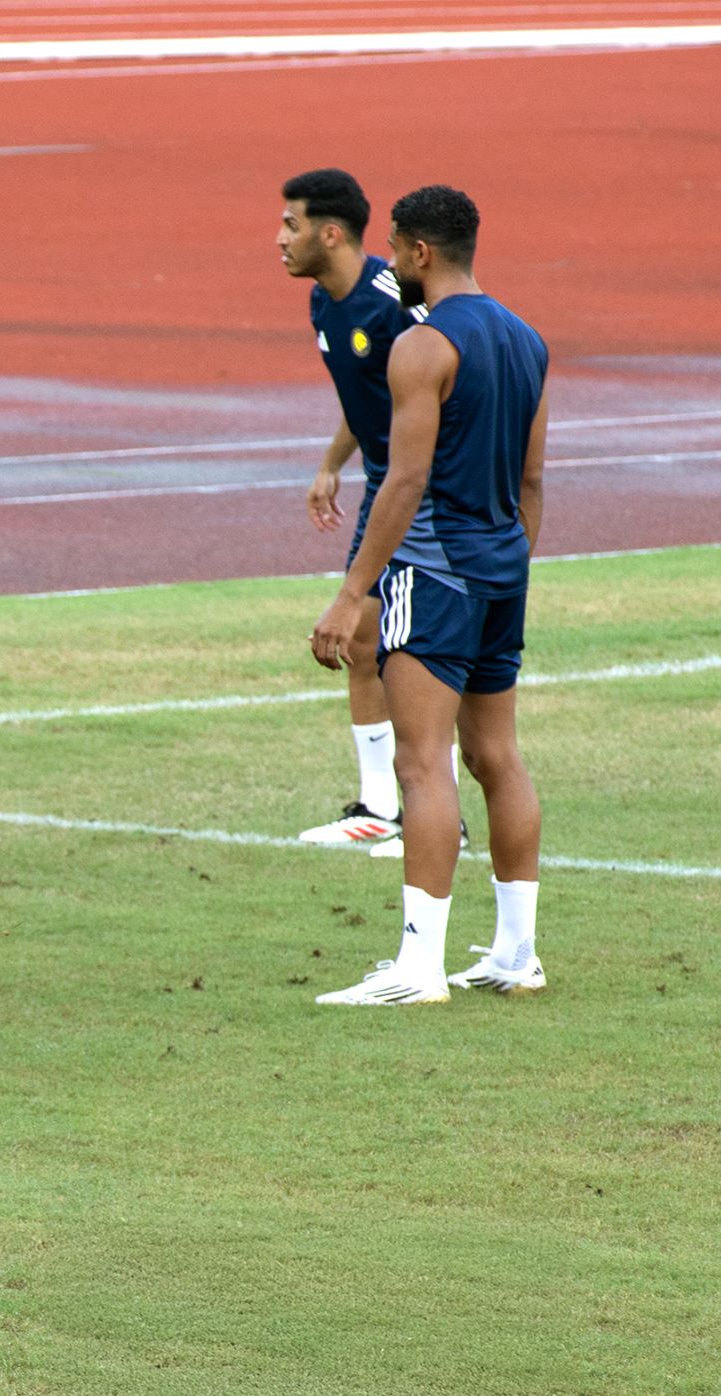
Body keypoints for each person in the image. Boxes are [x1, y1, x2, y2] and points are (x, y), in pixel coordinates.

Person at [311, 186, 550, 1007]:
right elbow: (531, 479)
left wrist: (353, 593)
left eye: (398, 249)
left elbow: (403, 478)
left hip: (433, 572)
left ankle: (419, 969)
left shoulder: (422, 346)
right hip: (501, 569)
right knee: (498, 757)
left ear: (419, 252)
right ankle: (517, 954)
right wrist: (509, 563)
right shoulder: (528, 340)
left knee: (423, 765)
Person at [278, 168, 424, 855]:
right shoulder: (321, 304)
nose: (280, 238)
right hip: (382, 486)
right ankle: (377, 807)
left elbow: (441, 380)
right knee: (363, 644)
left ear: (329, 233)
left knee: (412, 653)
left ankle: (432, 817)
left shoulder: (393, 303)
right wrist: (333, 463)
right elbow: (366, 395)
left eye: (291, 224)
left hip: (425, 495)